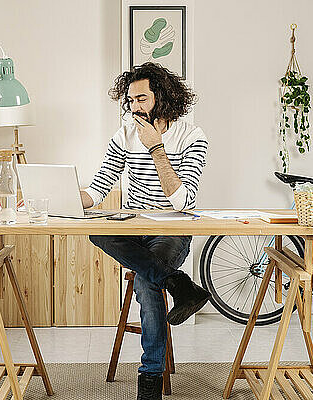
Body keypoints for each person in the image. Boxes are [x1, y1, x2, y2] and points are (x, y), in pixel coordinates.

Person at [80, 62, 211, 400]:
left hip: (172, 229)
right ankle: (179, 283)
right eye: (130, 100)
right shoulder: (123, 135)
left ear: (163, 98)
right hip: (133, 227)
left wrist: (156, 147)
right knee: (98, 233)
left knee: (146, 280)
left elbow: (182, 200)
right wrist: (57, 196)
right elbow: (97, 190)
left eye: (141, 99)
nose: (134, 107)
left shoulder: (192, 136)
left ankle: (149, 380)